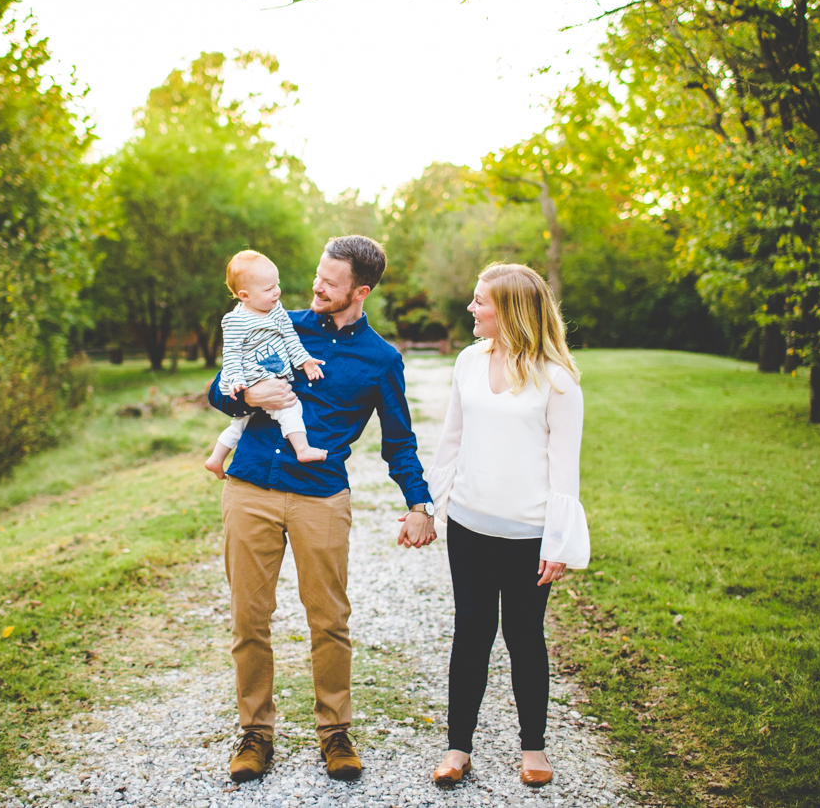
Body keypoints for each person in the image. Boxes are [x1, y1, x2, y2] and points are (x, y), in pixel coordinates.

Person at [205, 236, 438, 784]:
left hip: (322, 497)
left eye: (330, 283)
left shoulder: (382, 360)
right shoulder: (275, 321)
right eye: (316, 275)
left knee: (329, 620)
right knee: (248, 616)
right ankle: (255, 732)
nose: (316, 288)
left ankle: (335, 731)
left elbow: (399, 443)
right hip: (251, 488)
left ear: (361, 290)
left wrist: (419, 502)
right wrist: (246, 398)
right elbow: (220, 388)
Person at [424, 262, 591, 788]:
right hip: (469, 527)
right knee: (471, 632)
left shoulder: (557, 381)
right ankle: (458, 747)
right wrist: (429, 508)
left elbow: (566, 468)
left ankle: (534, 747)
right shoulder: (469, 362)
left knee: (524, 636)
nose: (471, 308)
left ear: (511, 311)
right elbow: (450, 440)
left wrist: (558, 541)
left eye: (480, 302)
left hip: (528, 536)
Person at [206, 249, 327, 480]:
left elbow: (291, 338)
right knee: (290, 408)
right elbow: (230, 354)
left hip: (272, 369)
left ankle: (215, 459)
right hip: (254, 376)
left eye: (277, 284)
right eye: (269, 289)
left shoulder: (276, 311)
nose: (277, 292)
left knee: (239, 424)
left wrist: (305, 361)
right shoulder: (235, 321)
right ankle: (303, 449)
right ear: (245, 296)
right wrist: (237, 381)